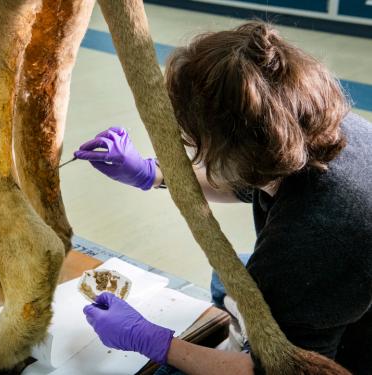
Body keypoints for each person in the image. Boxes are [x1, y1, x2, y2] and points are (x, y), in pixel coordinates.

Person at [74, 22, 372, 375]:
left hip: (351, 343)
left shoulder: (306, 245)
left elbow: (265, 370)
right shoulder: (318, 127)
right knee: (228, 281)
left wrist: (154, 341)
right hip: (349, 284)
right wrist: (150, 173)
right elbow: (246, 182)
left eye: (198, 143)